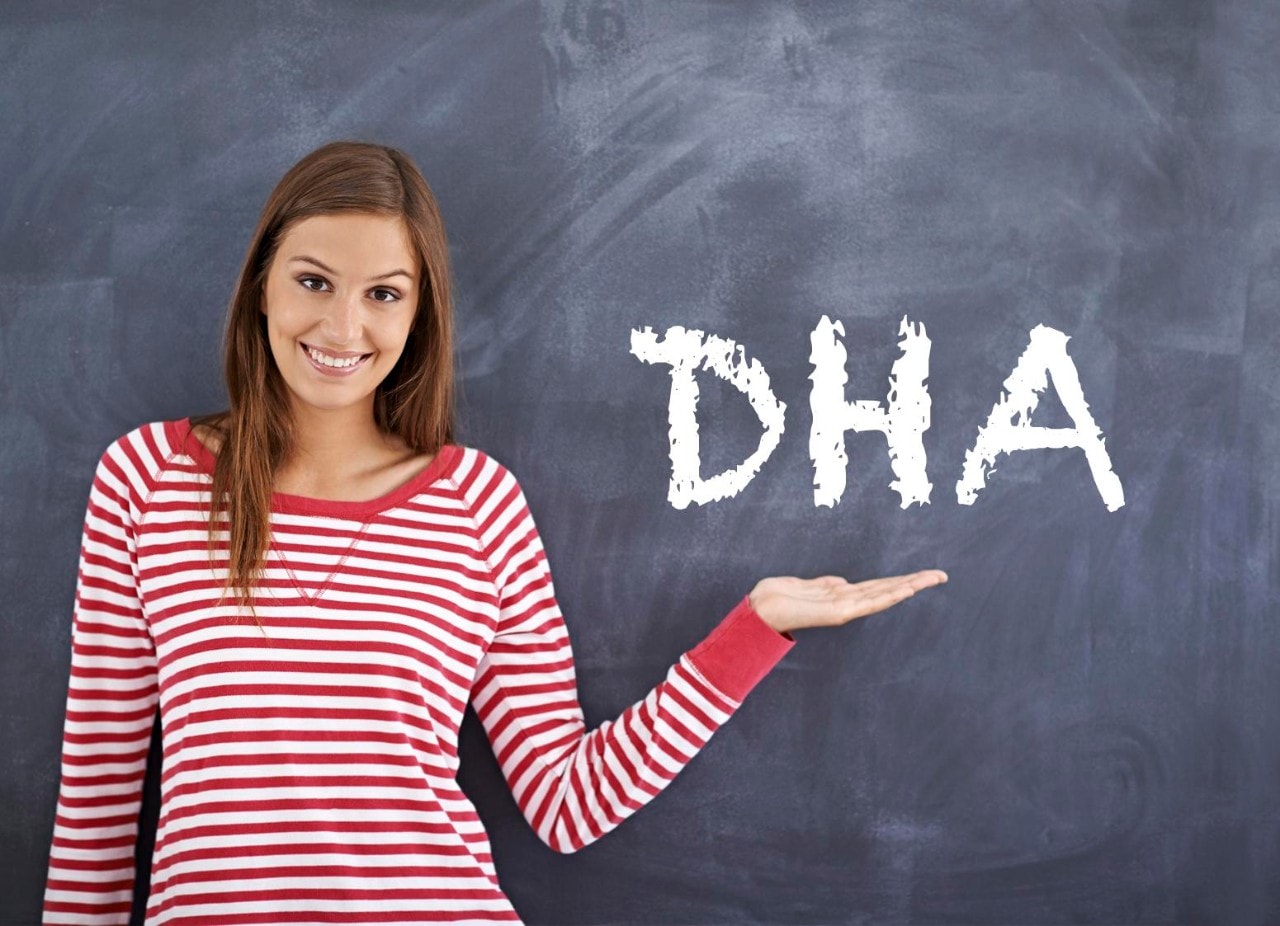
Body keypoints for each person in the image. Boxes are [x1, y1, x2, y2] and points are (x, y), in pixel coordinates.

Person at [42, 140, 947, 925]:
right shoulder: (147, 480)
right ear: (261, 286)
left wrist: (755, 628)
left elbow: (565, 801)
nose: (343, 325)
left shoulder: (475, 503)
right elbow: (96, 806)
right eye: (313, 281)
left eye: (384, 294)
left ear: (419, 310)